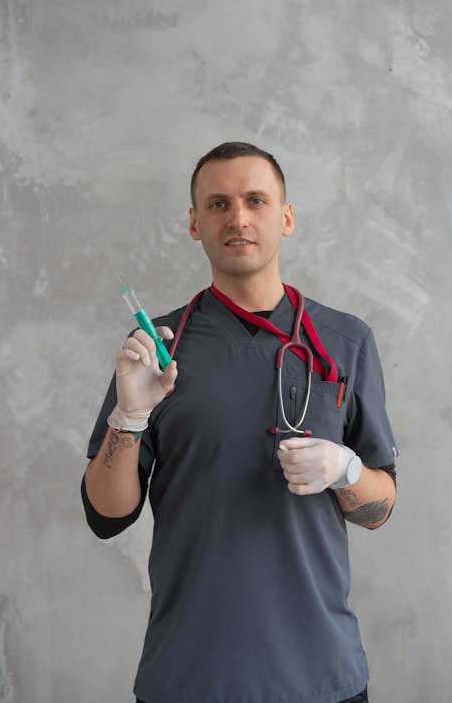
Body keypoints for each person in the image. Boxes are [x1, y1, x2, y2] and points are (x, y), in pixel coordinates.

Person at [82, 141, 397, 703]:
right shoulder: (156, 348)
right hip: (189, 676)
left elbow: (380, 509)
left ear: (287, 216)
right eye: (219, 204)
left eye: (256, 200)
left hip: (321, 676)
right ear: (195, 224)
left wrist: (348, 471)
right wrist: (128, 417)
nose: (239, 217)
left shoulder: (346, 343)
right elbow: (107, 516)